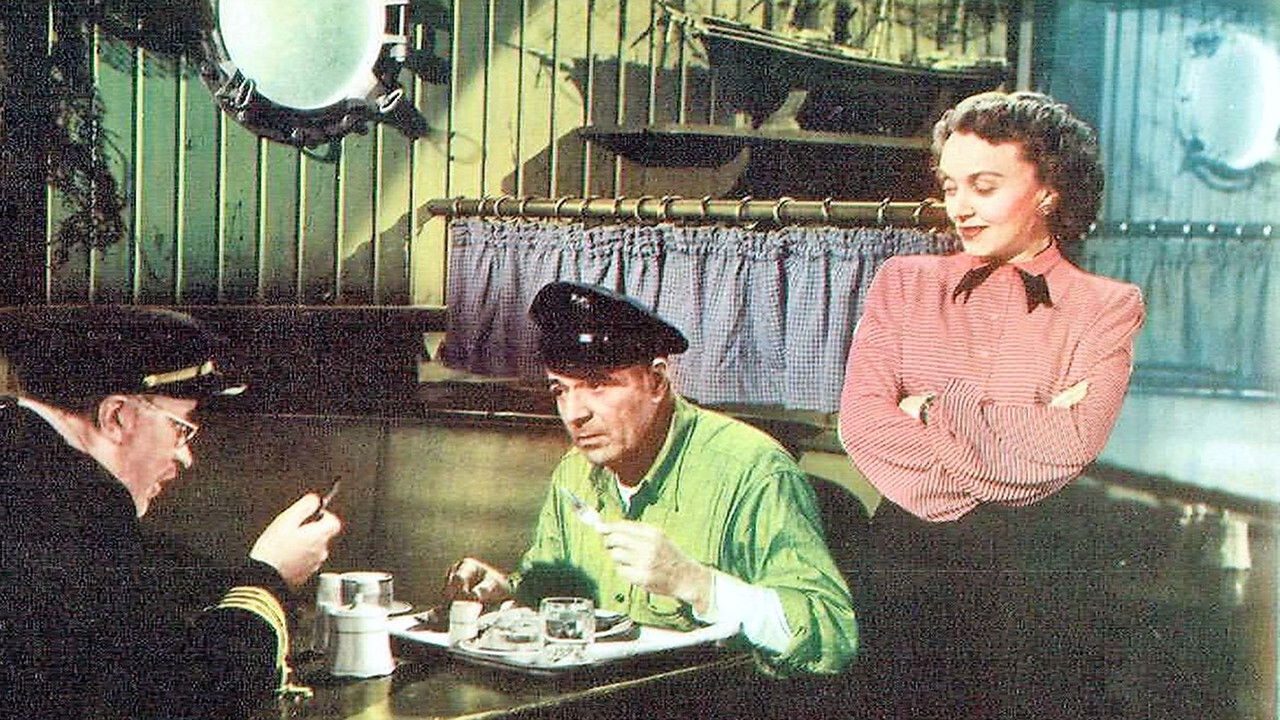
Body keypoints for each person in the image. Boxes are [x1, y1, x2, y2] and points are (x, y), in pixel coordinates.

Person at [836, 91, 1145, 717]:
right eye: (951, 187)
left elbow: (1074, 442)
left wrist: (929, 410)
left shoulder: (1108, 305)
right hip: (905, 558)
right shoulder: (904, 282)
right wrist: (1022, 429)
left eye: (984, 186)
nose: (960, 208)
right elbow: (862, 423)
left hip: (1038, 570)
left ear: (1049, 190)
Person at [445, 281, 858, 678]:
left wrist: (696, 584)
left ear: (657, 382)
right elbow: (553, 596)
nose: (574, 414)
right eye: (560, 390)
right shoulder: (574, 472)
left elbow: (833, 636)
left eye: (598, 384)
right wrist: (509, 590)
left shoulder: (753, 470)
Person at [0, 307, 343, 720]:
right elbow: (190, 693)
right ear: (116, 417)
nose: (185, 456)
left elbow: (151, 567)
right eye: (181, 428)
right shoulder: (76, 513)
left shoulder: (31, 465)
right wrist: (270, 578)